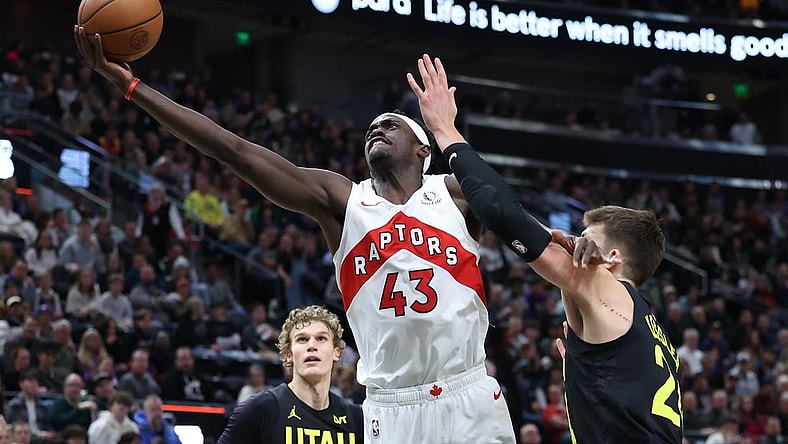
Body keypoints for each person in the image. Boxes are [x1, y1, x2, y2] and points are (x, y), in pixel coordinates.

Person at [75, 29, 515, 443]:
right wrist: (134, 90)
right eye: (370, 130)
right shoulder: (343, 202)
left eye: (390, 125)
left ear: (424, 147)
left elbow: (512, 213)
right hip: (390, 409)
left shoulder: (453, 193)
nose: (375, 130)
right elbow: (234, 151)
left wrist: (569, 240)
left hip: (466, 392)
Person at [407, 54, 683, 443]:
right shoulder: (649, 333)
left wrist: (445, 130)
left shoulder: (606, 289)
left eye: (588, 237)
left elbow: (502, 212)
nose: (576, 243)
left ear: (613, 258)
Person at [218, 305, 362, 443]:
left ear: (336, 353)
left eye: (321, 339)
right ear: (289, 355)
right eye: (302, 339)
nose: (312, 346)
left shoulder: (357, 419)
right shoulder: (260, 410)